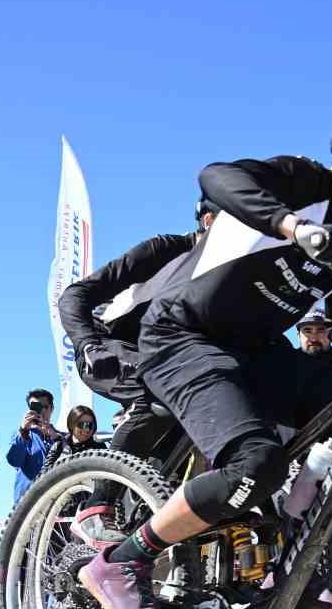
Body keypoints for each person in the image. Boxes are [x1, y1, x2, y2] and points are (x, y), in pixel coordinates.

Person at [73, 99, 332, 609]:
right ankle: (122, 559)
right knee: (255, 462)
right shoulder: (302, 182)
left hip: (256, 349)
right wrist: (291, 225)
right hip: (185, 335)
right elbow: (215, 177)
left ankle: (286, 550)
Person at [59, 201, 217, 538]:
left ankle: (149, 511)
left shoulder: (225, 275)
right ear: (209, 221)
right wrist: (87, 343)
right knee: (155, 398)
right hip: (108, 342)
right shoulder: (165, 250)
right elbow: (76, 295)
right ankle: (95, 508)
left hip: (163, 357)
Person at [246, 303, 332, 609]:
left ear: (330, 331)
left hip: (331, 470)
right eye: (308, 330)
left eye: (321, 330)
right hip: (287, 467)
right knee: (280, 544)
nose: (314, 336)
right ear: (299, 332)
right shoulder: (284, 366)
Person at [6, 388, 61, 504]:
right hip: (28, 503)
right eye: (36, 407)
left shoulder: (61, 437)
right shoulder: (21, 435)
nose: (40, 412)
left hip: (56, 501)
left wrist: (54, 436)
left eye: (44, 407)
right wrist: (24, 431)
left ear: (52, 409)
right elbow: (14, 461)